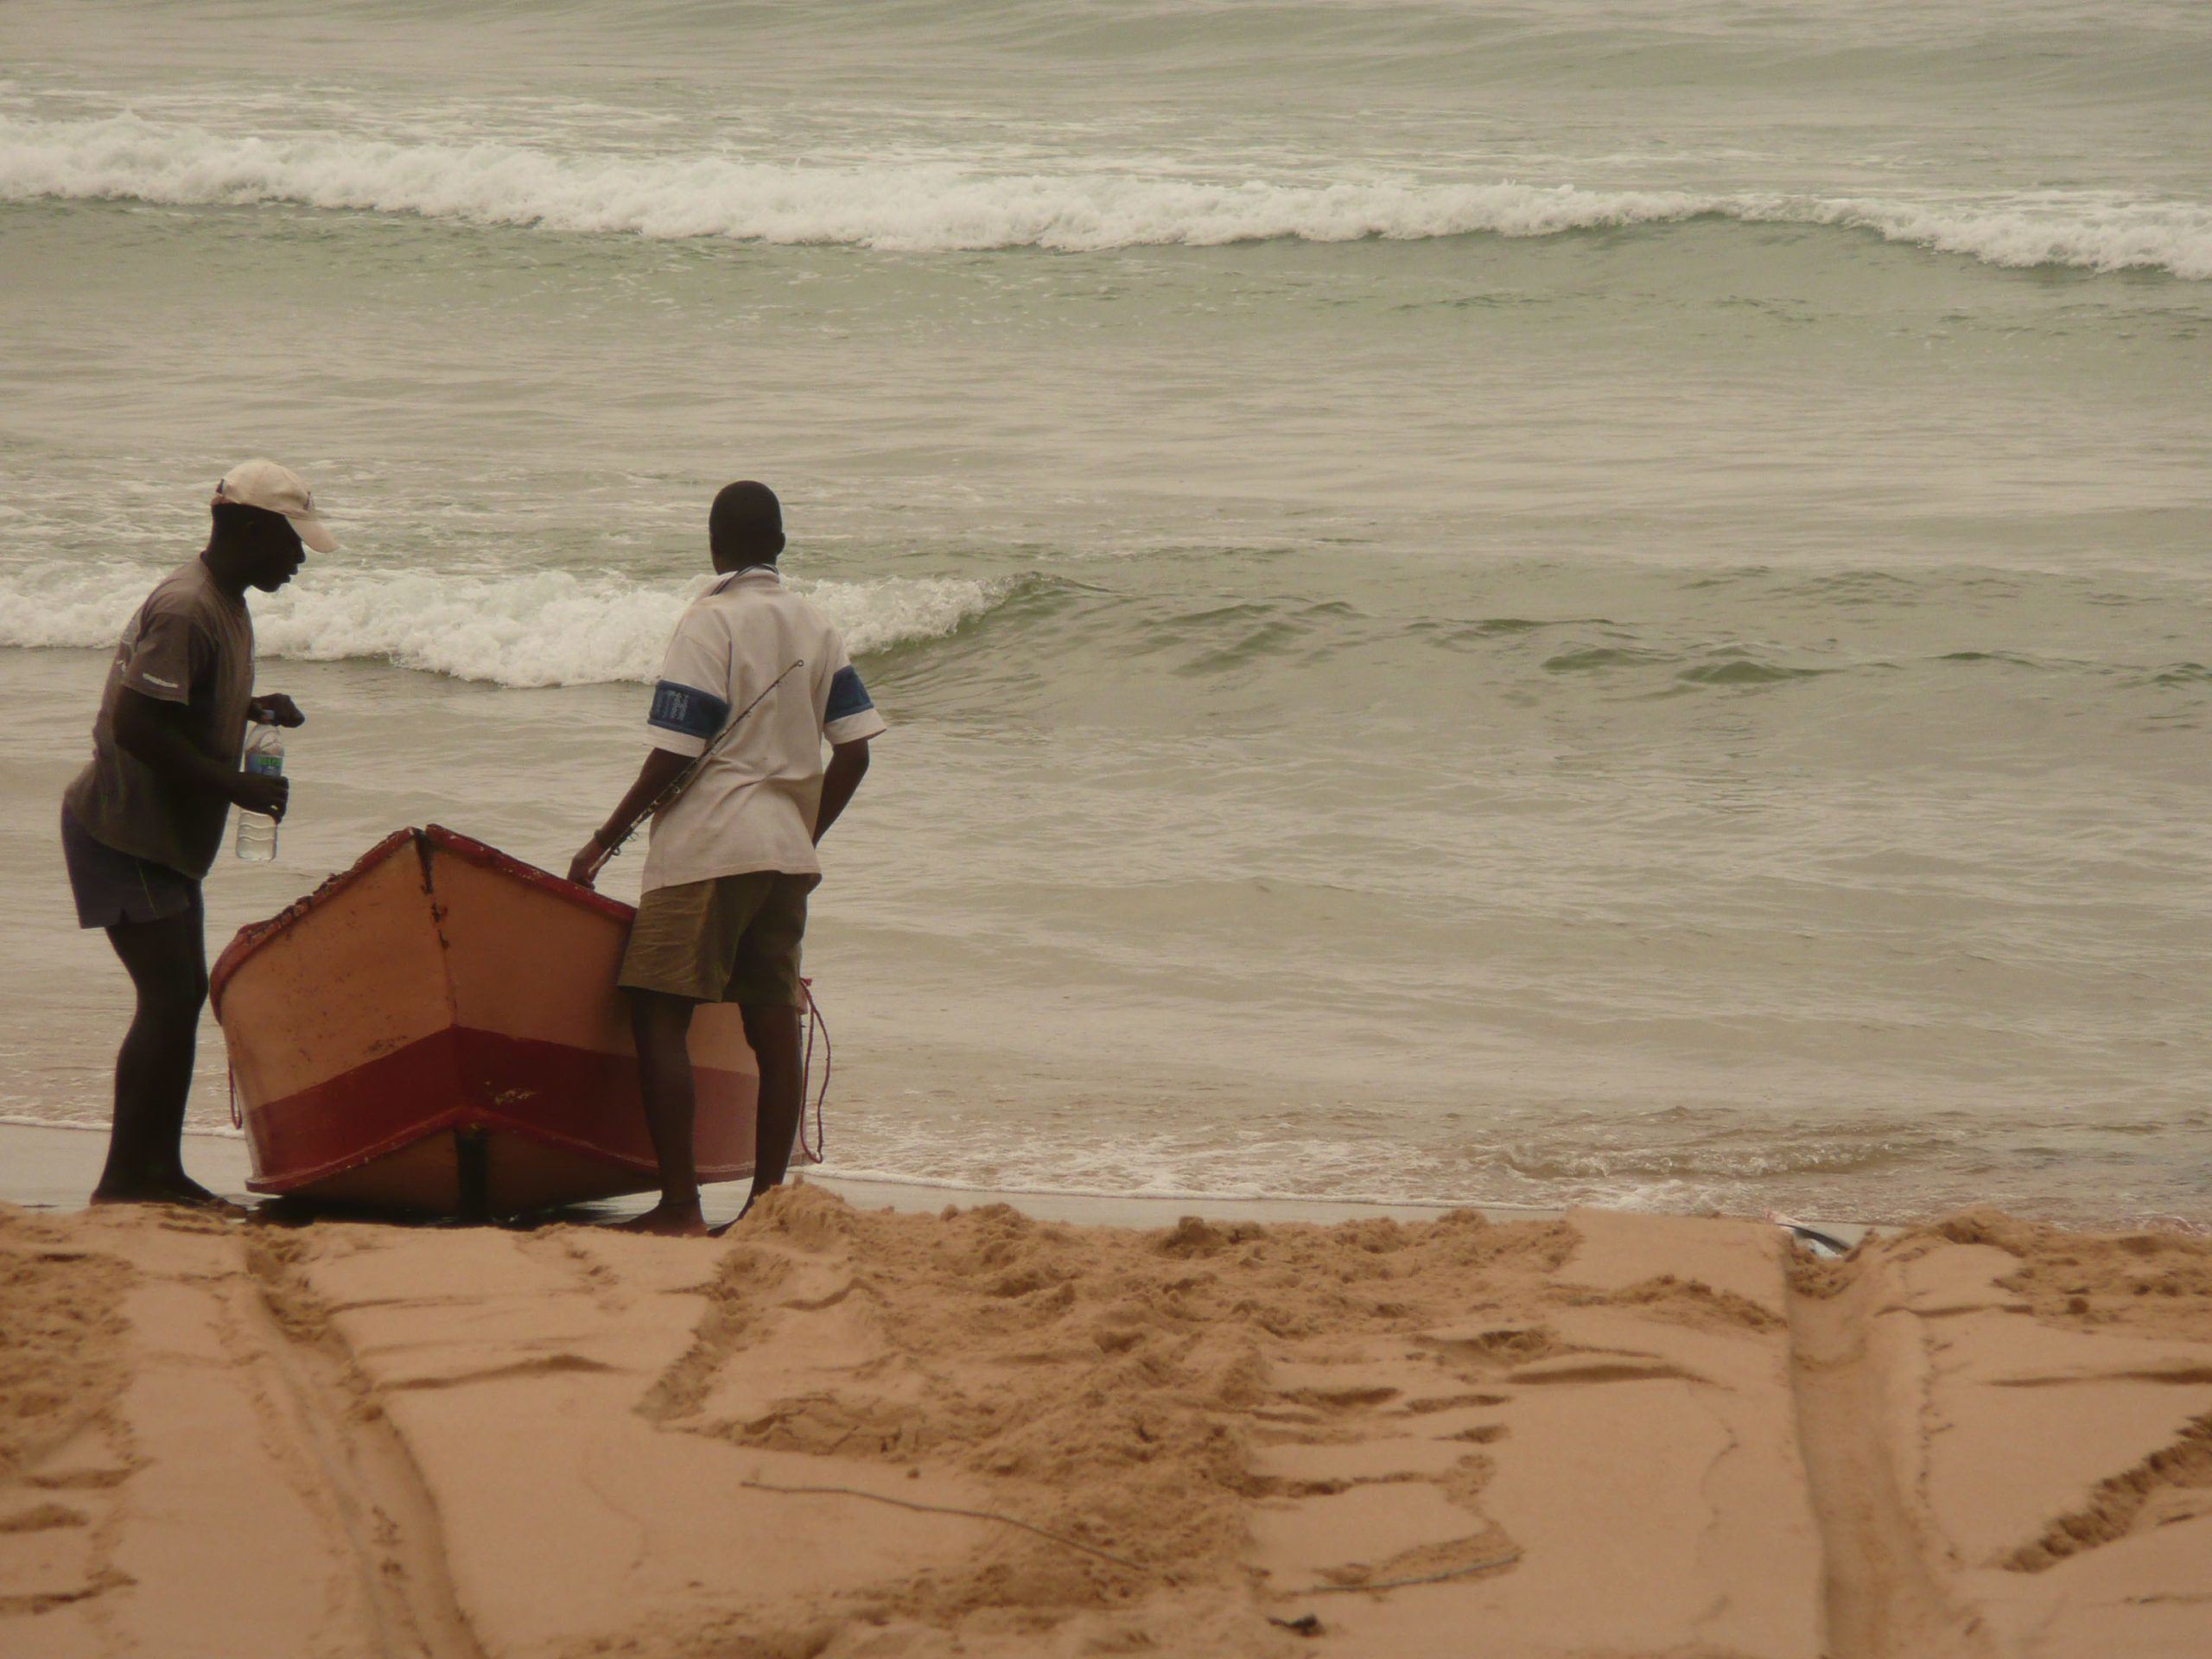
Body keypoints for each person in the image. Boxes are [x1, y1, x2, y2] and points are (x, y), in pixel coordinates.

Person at [569, 481, 886, 1236]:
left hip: (708, 848)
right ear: (778, 544)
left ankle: (679, 1206)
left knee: (656, 1011)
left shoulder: (708, 622)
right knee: (772, 1024)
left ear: (716, 545)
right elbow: (857, 750)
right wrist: (803, 831)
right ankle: (764, 1207)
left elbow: (673, 755)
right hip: (784, 856)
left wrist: (601, 842)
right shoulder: (817, 623)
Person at [61, 459, 333, 1208]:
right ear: (251, 528)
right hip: (124, 832)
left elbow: (181, 698)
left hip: (159, 838)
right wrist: (236, 785)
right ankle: (130, 1180)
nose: (301, 560)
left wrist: (249, 704)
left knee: (177, 998)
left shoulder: (224, 601)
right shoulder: (187, 606)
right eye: (293, 543)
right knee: (172, 996)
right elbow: (138, 724)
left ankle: (153, 1172)